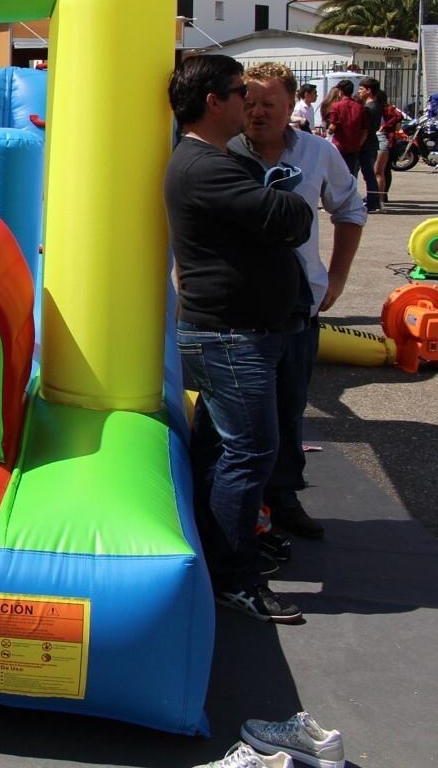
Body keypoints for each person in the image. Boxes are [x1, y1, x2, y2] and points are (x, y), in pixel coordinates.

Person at [165, 54, 313, 623]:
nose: (247, 104)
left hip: (232, 335)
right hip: (231, 338)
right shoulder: (206, 167)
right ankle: (234, 575)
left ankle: (223, 553)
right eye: (238, 92)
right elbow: (290, 218)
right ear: (213, 102)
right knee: (249, 454)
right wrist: (288, 201)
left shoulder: (216, 162)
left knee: (221, 452)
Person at [232, 62, 365, 542]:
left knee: (289, 409)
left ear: (293, 105)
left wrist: (338, 277)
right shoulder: (221, 150)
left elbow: (350, 209)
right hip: (235, 307)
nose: (257, 112)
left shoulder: (318, 152)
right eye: (249, 102)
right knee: (235, 418)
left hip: (296, 308)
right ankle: (236, 513)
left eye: (269, 103)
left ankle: (283, 498)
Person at [355, 77, 385, 212]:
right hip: (371, 143)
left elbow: (365, 130)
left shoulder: (369, 108)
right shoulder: (376, 105)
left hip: (367, 144)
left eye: (361, 89)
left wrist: (359, 144)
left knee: (368, 174)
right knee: (369, 174)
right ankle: (373, 200)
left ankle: (373, 202)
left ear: (369, 90)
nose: (359, 91)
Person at [325, 80, 365, 175]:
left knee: (336, 173)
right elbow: (364, 130)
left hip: (339, 145)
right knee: (351, 173)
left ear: (341, 92)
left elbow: (332, 127)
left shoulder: (336, 106)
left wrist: (328, 132)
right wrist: (359, 143)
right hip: (354, 146)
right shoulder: (359, 107)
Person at [372, 84, 401, 207]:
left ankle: (381, 196)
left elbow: (399, 116)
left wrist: (385, 126)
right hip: (382, 140)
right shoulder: (375, 107)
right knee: (383, 170)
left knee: (381, 170)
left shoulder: (385, 108)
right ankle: (381, 196)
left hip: (385, 140)